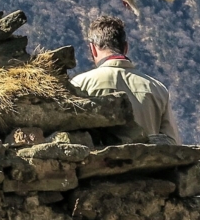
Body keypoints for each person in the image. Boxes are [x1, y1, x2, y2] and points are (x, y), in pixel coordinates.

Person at [69, 14, 180, 142]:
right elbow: (173, 142)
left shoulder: (80, 84)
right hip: (148, 161)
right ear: (125, 48)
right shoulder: (157, 89)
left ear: (93, 49)